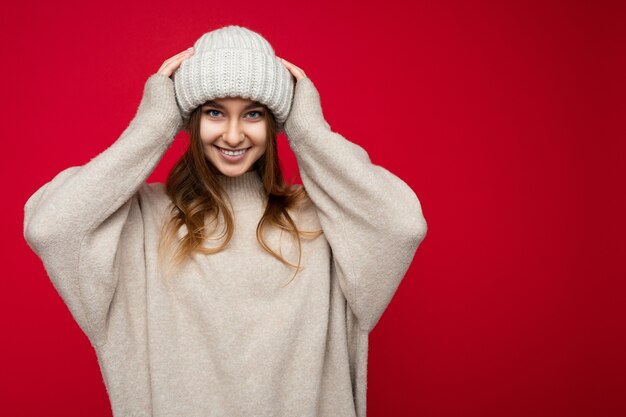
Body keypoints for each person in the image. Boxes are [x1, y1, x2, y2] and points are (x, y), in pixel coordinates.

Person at [23, 25, 428, 417]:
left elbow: (401, 226)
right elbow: (51, 229)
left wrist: (309, 130)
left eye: (253, 114)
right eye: (215, 112)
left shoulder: (318, 220)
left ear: (275, 123)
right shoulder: (144, 221)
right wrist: (154, 126)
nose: (233, 135)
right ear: (189, 118)